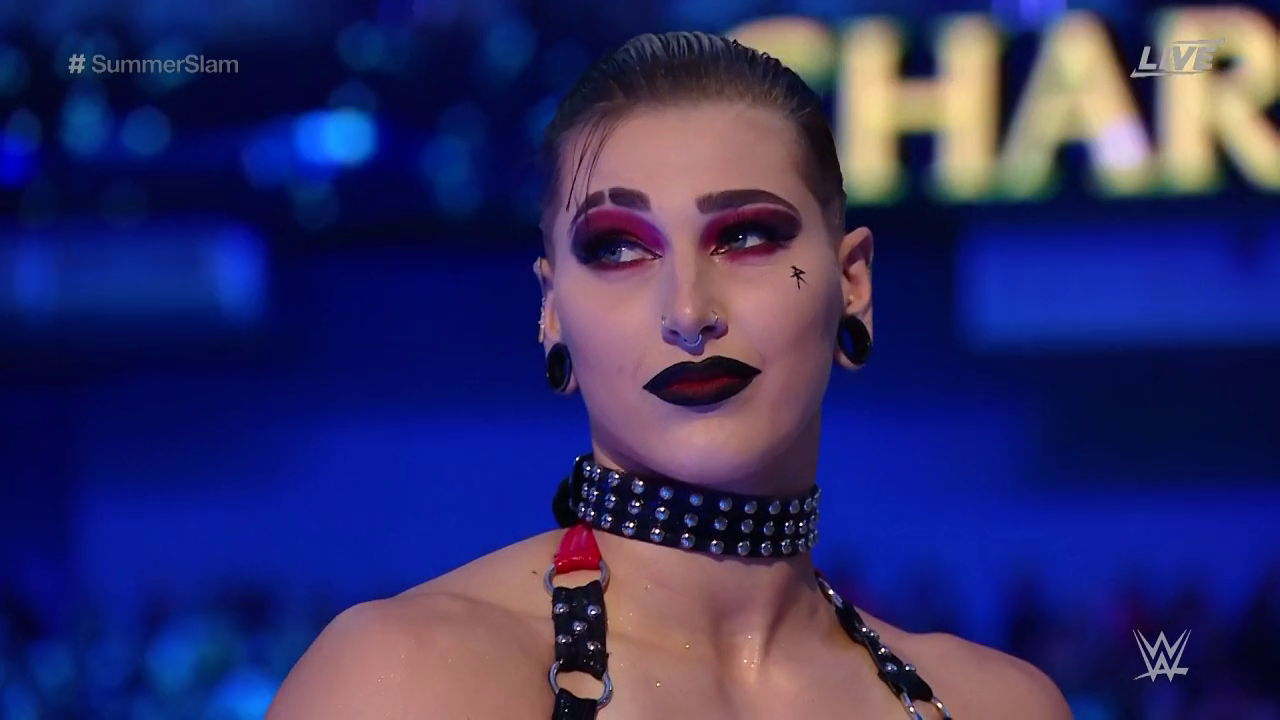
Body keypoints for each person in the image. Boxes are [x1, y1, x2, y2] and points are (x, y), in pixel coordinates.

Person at [267, 31, 1073, 719]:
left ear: (852, 282)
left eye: (747, 237)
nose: (688, 311)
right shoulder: (404, 680)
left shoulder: (997, 705)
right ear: (552, 311)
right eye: (618, 248)